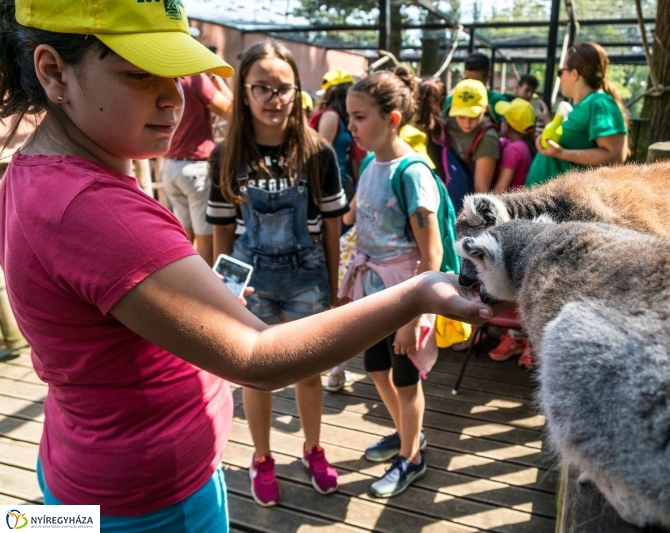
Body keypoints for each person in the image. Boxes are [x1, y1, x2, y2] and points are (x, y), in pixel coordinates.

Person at [0, 1, 490, 529]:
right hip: (152, 500)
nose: (174, 97)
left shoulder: (35, 175)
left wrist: (198, 299)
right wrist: (416, 293)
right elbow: (255, 356)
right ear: (53, 71)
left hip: (84, 473)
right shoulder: (97, 211)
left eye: (177, 74)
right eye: (140, 74)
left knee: (30, 525)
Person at [206, 40, 349, 506]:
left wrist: (334, 286)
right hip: (252, 279)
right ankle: (262, 457)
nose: (274, 98)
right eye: (262, 87)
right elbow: (221, 229)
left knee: (308, 373)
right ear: (244, 91)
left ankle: (313, 448)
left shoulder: (318, 152)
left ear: (297, 91)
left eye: (283, 88)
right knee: (256, 375)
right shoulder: (224, 154)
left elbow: (332, 226)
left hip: (308, 277)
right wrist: (223, 292)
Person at [341, 67, 443, 498]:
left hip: (404, 297)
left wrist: (411, 319)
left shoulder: (413, 173)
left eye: (360, 117)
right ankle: (407, 435)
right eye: (349, 116)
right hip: (371, 291)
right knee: (377, 370)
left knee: (406, 381)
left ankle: (412, 459)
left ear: (393, 118)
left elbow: (432, 254)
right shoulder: (370, 163)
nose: (351, 127)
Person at [310, 68, 359, 393]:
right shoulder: (330, 115)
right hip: (331, 191)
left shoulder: (337, 115)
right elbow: (321, 152)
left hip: (341, 189)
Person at [526, 42, 628, 187]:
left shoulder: (599, 102)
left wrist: (561, 153)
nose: (560, 78)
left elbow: (615, 156)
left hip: (567, 203)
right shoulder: (581, 106)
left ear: (574, 74)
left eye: (561, 72)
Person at [162, 69, 232, 266]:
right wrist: (218, 82)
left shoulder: (164, 74)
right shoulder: (195, 79)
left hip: (171, 168)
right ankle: (202, 293)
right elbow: (232, 111)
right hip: (195, 170)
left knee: (184, 240)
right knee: (206, 240)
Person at [443, 79, 500, 195]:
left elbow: (480, 191)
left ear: (484, 109)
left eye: (473, 116)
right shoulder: (449, 120)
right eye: (461, 116)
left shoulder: (488, 137)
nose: (467, 123)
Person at [492, 97, 536, 192]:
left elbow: (500, 190)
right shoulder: (524, 144)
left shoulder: (513, 149)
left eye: (503, 119)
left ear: (507, 125)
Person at [443, 52, 508, 116]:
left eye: (476, 81)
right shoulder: (451, 101)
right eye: (467, 79)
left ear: (488, 77)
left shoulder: (498, 103)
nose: (471, 85)